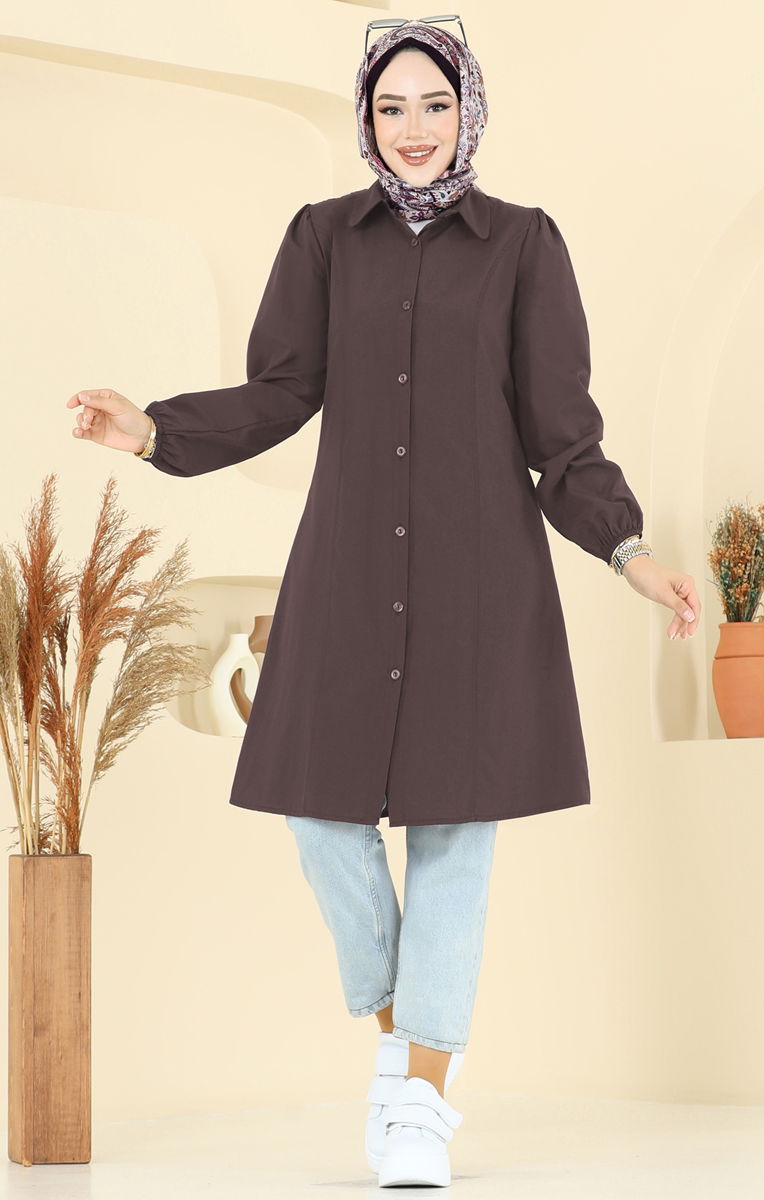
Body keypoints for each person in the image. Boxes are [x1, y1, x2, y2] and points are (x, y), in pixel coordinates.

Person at [66, 18, 701, 1188]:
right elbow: (279, 392)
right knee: (319, 814)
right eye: (390, 107)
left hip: (480, 581)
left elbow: (562, 438)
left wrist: (629, 552)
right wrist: (154, 430)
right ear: (365, 116)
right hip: (349, 569)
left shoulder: (523, 244)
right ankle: (404, 1050)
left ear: (469, 112)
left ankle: (417, 1107)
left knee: (456, 836)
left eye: (434, 105)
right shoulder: (322, 238)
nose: (412, 128)